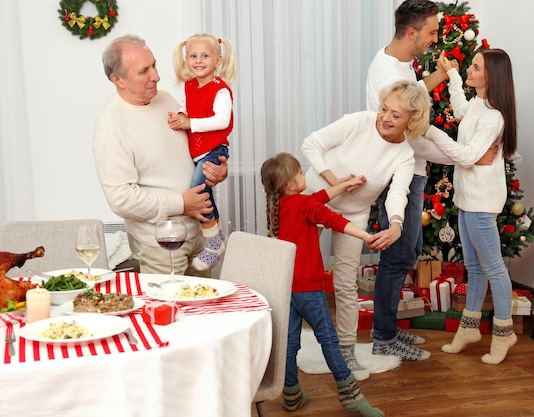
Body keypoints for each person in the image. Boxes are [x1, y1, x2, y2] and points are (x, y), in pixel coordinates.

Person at [365, 0, 497, 359]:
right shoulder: (387, 73)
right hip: (399, 176)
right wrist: (464, 157)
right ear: (412, 32)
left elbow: (414, 94)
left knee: (405, 253)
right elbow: (413, 134)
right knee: (397, 257)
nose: (435, 39)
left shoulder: (400, 65)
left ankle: (387, 331)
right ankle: (383, 336)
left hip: (412, 173)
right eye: (432, 32)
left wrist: (441, 75)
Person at [301, 80, 433, 380]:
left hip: (354, 214)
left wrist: (397, 224)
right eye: (384, 109)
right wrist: (335, 183)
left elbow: (399, 192)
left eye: (395, 115)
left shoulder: (404, 156)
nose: (385, 118)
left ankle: (345, 349)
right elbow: (311, 143)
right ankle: (281, 341)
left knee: (346, 283)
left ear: (411, 121)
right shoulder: (359, 122)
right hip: (313, 199)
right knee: (293, 272)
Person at [260, 152, 384, 417]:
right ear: (291, 184)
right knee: (329, 339)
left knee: (290, 342)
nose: (305, 175)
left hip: (285, 288)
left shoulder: (278, 206)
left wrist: (343, 185)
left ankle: (291, 394)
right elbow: (334, 220)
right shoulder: (304, 206)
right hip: (308, 289)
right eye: (300, 172)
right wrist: (365, 235)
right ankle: (350, 396)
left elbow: (320, 198)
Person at [93, 34, 228, 277]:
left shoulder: (166, 100)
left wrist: (217, 168)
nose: (156, 76)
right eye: (144, 71)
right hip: (162, 246)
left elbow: (195, 149)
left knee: (204, 311)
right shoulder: (111, 126)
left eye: (154, 65)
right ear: (118, 79)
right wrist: (182, 203)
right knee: (170, 313)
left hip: (200, 237)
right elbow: (121, 199)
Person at [425, 48, 518, 364]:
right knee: (475, 268)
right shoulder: (479, 105)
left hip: (481, 202)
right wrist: (451, 74)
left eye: (475, 67)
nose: (470, 69)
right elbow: (461, 109)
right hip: (466, 199)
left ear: (490, 76)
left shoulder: (494, 117)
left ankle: (504, 332)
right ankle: (469, 327)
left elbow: (465, 156)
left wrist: (432, 132)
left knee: (493, 268)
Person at [168, 33, 237, 271]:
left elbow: (221, 120)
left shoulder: (220, 90)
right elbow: (187, 107)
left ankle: (212, 242)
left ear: (217, 61)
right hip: (198, 151)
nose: (199, 60)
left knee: (197, 193)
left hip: (214, 148)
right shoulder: (189, 86)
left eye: (205, 56)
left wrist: (189, 124)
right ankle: (216, 237)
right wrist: (179, 115)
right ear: (187, 59)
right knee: (204, 193)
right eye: (193, 56)